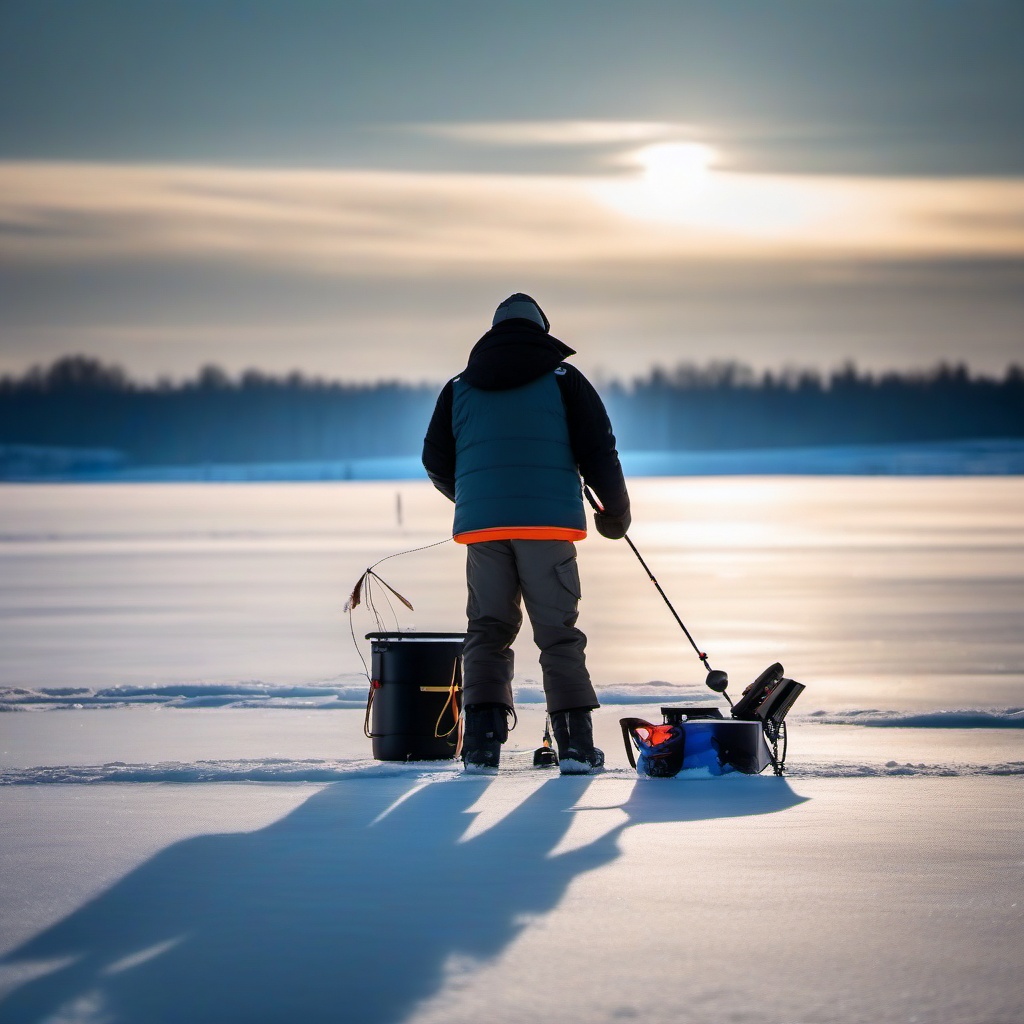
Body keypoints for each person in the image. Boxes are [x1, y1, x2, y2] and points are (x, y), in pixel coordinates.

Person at [422, 293, 630, 773]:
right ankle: (576, 748)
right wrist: (614, 513)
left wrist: (472, 499)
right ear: (542, 329)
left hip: (484, 530)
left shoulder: (459, 387)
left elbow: (435, 460)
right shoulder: (563, 379)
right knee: (558, 633)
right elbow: (600, 449)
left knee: (488, 630)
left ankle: (480, 747)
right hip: (547, 526)